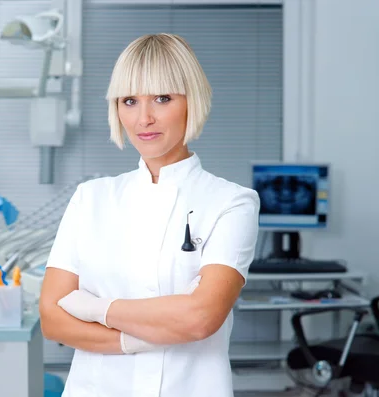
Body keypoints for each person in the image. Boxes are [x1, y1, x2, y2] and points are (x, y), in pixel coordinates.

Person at [39, 33, 260, 397]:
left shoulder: (231, 202)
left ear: (192, 101)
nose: (144, 118)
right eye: (129, 100)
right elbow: (53, 319)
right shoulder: (90, 198)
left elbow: (200, 318)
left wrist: (93, 307)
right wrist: (147, 336)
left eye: (162, 98)